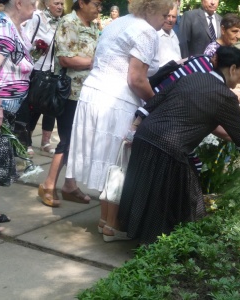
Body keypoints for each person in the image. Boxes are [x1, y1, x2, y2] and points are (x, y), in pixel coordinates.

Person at [116, 46, 240, 245]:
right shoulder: (225, 97)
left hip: (145, 137)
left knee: (146, 188)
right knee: (183, 198)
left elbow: (154, 102)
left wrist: (134, 128)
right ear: (232, 69)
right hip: (170, 148)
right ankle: (157, 245)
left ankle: (141, 235)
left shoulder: (192, 77)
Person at [65, 0, 173, 241]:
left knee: (109, 163)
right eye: (164, 14)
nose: (167, 19)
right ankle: (112, 225)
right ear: (149, 9)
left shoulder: (120, 23)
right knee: (118, 164)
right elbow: (136, 79)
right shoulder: (146, 31)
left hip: (93, 94)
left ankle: (105, 221)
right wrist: (157, 105)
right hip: (116, 101)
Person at [38, 0, 100, 207]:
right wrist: (96, 62)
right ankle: (48, 185)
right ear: (82, 3)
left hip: (87, 92)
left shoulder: (92, 26)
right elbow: (66, 59)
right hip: (69, 92)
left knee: (77, 140)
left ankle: (69, 185)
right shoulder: (69, 22)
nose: (99, 8)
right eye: (96, 4)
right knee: (67, 139)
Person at [0, 0, 36, 234]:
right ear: (19, 3)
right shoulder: (2, 27)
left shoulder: (15, 26)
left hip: (8, 106)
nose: (36, 7)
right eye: (33, 2)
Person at [22, 0, 64, 158]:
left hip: (54, 70)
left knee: (50, 108)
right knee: (33, 107)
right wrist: (37, 47)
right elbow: (25, 40)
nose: (60, 6)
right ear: (47, 4)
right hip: (36, 69)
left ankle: (45, 142)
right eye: (56, 3)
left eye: (61, 3)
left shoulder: (62, 22)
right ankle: (26, 141)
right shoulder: (37, 17)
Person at [157, 2, 181, 66]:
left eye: (173, 17)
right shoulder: (155, 35)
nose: (170, 20)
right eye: (168, 16)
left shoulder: (174, 35)